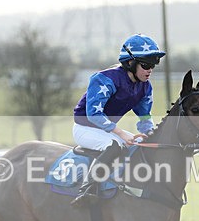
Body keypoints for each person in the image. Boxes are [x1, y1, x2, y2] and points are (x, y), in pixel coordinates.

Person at [71, 33, 166, 206]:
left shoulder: (145, 87)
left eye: (153, 65)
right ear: (130, 63)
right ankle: (87, 190)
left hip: (106, 130)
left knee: (140, 146)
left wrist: (151, 136)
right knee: (114, 146)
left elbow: (145, 118)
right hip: (85, 128)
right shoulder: (104, 79)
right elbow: (93, 115)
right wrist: (121, 133)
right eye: (146, 65)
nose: (150, 70)